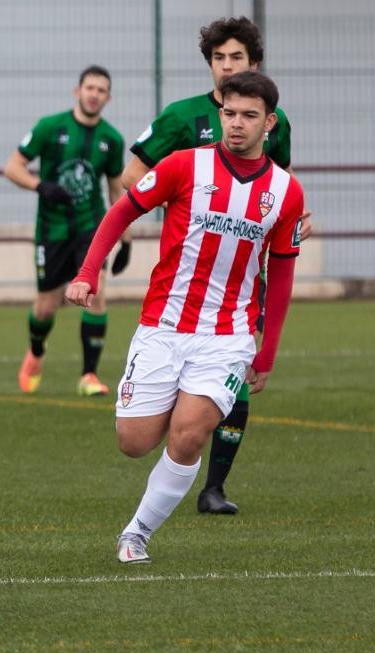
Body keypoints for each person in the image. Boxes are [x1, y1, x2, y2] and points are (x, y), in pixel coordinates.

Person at [65, 72, 303, 565]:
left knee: (189, 433)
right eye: (229, 113)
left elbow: (280, 276)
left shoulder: (285, 192)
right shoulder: (183, 166)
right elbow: (120, 214)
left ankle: (136, 533)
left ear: (270, 122)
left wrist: (268, 350)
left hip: (228, 335)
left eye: (249, 116)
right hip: (163, 326)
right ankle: (173, 409)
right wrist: (88, 273)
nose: (236, 125)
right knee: (133, 442)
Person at [120, 16, 305, 515]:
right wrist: (193, 214)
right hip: (183, 283)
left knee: (235, 379)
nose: (227, 66)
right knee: (138, 435)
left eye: (237, 58)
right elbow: (133, 175)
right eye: (219, 58)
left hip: (245, 281)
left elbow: (281, 185)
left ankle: (214, 485)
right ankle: (181, 454)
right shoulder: (181, 118)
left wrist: (290, 225)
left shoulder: (275, 120)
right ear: (209, 65)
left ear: (254, 65)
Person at [2, 65, 129, 396]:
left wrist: (125, 237)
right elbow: (12, 168)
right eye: (89, 88)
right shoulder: (50, 127)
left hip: (92, 227)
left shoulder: (112, 139)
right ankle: (36, 352)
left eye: (101, 90)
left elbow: (116, 191)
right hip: (52, 228)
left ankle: (89, 375)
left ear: (108, 98)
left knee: (95, 293)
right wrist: (40, 185)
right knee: (46, 305)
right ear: (77, 91)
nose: (94, 94)